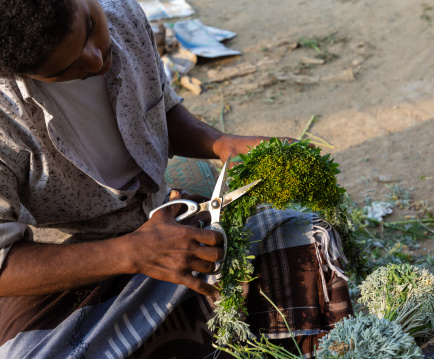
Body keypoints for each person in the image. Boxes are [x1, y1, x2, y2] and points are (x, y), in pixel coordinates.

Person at [0, 0, 353, 358]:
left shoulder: (123, 15)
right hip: (67, 267)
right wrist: (132, 253)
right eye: (64, 70)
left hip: (164, 226)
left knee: (308, 242)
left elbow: (160, 111)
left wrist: (220, 143)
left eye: (91, 27)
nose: (95, 59)